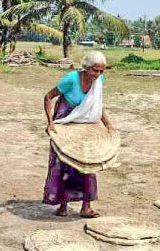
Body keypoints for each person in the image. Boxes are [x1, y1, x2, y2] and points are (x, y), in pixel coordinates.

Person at [43, 51, 114, 218]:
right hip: (66, 119)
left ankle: (86, 207)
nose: (98, 75)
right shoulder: (70, 79)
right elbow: (48, 97)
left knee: (88, 161)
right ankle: (62, 205)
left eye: (101, 71)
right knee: (63, 161)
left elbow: (97, 104)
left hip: (86, 123)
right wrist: (50, 123)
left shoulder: (99, 81)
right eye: (94, 70)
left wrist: (108, 124)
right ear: (86, 68)